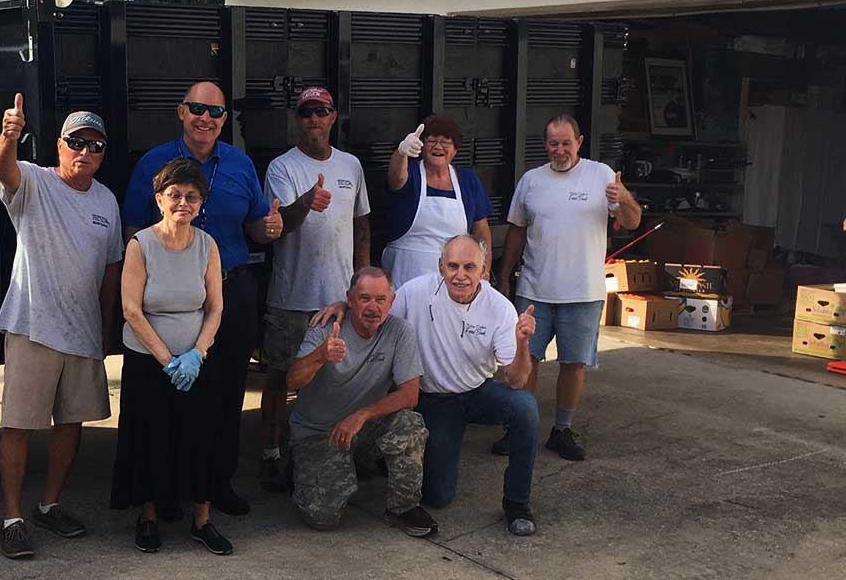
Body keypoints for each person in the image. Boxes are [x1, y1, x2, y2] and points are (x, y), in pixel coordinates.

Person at [122, 82, 282, 517]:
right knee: (167, 397)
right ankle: (166, 490)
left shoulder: (240, 164)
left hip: (229, 287)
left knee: (225, 393)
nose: (205, 118)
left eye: (214, 112)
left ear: (224, 119)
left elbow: (254, 226)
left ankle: (217, 483)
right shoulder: (154, 163)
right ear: (181, 111)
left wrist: (268, 229)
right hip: (172, 295)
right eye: (197, 109)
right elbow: (135, 228)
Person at [0, 98, 122, 559]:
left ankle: (50, 505)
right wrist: (8, 136)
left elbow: (110, 269)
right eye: (76, 142)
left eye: (95, 145)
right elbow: (1, 169)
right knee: (18, 426)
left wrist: (105, 330)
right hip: (33, 324)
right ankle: (12, 519)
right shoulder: (34, 182)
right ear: (59, 145)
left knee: (71, 423)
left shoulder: (107, 200)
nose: (84, 152)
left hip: (83, 331)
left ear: (103, 153)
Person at [494, 114, 641, 461]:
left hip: (584, 291)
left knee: (573, 363)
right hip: (534, 287)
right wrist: (503, 276)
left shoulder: (602, 175)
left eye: (566, 143)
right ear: (544, 144)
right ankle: (520, 428)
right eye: (553, 143)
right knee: (525, 358)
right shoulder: (531, 181)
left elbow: (632, 222)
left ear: (580, 141)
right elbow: (516, 230)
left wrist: (623, 198)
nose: (560, 150)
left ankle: (561, 430)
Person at [112, 158, 233, 556]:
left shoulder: (207, 245)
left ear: (201, 203)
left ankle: (202, 520)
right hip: (149, 362)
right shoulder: (140, 244)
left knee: (201, 437)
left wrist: (197, 354)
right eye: (175, 194)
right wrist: (168, 361)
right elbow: (131, 309)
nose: (184, 202)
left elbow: (215, 307)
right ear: (160, 198)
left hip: (196, 361)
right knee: (151, 438)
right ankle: (148, 516)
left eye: (192, 196)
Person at [258, 87, 371, 492]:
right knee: (279, 376)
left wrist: (361, 281)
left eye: (321, 111)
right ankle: (270, 454)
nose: (314, 120)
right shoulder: (282, 167)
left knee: (340, 377)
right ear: (298, 119)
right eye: (306, 113)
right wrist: (307, 201)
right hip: (292, 297)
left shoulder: (352, 166)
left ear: (333, 116)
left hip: (339, 298)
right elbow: (280, 225)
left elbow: (361, 224)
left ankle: (335, 450)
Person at [395, 235, 540, 535]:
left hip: (477, 391)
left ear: (484, 270)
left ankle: (517, 503)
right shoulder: (415, 292)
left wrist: (523, 343)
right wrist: (343, 306)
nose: (460, 275)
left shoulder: (499, 308)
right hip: (436, 399)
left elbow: (516, 380)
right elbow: (377, 315)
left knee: (525, 407)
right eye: (453, 266)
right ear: (440, 267)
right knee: (438, 498)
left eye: (469, 267)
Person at [286, 267, 438, 537]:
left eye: (380, 300)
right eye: (364, 298)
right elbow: (293, 381)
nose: (372, 307)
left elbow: (410, 394)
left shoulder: (399, 331)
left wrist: (361, 415)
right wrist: (321, 355)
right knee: (322, 518)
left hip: (362, 425)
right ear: (350, 299)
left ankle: (403, 508)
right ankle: (306, 468)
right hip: (320, 432)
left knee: (409, 423)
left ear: (391, 301)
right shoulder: (327, 327)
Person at [382, 115, 493, 289]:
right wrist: (401, 152)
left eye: (445, 142)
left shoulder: (468, 181)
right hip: (405, 273)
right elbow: (395, 178)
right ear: (421, 145)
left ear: (456, 149)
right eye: (431, 141)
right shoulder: (410, 173)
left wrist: (484, 272)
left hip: (454, 278)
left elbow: (482, 231)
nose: (438, 147)